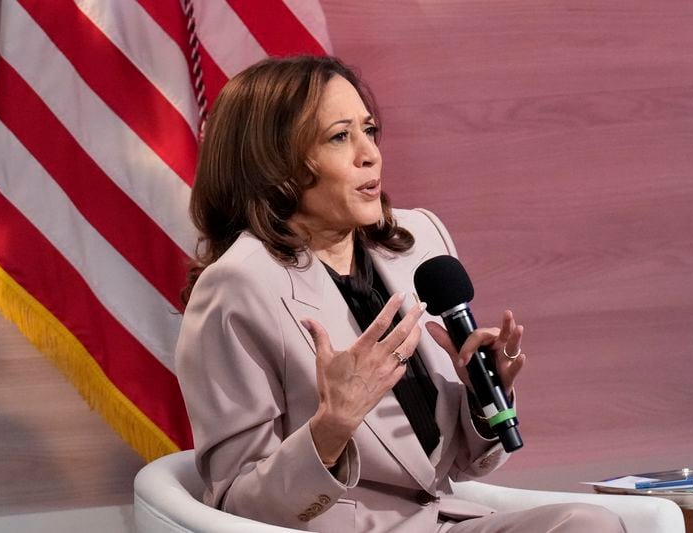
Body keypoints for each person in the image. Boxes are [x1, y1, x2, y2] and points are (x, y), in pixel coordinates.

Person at [175, 56, 625, 533]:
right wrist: (332, 426)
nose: (370, 154)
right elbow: (237, 509)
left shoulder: (418, 239)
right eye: (339, 136)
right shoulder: (237, 288)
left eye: (369, 131)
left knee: (586, 523)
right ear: (275, 165)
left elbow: (464, 466)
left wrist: (480, 396)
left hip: (444, 521)